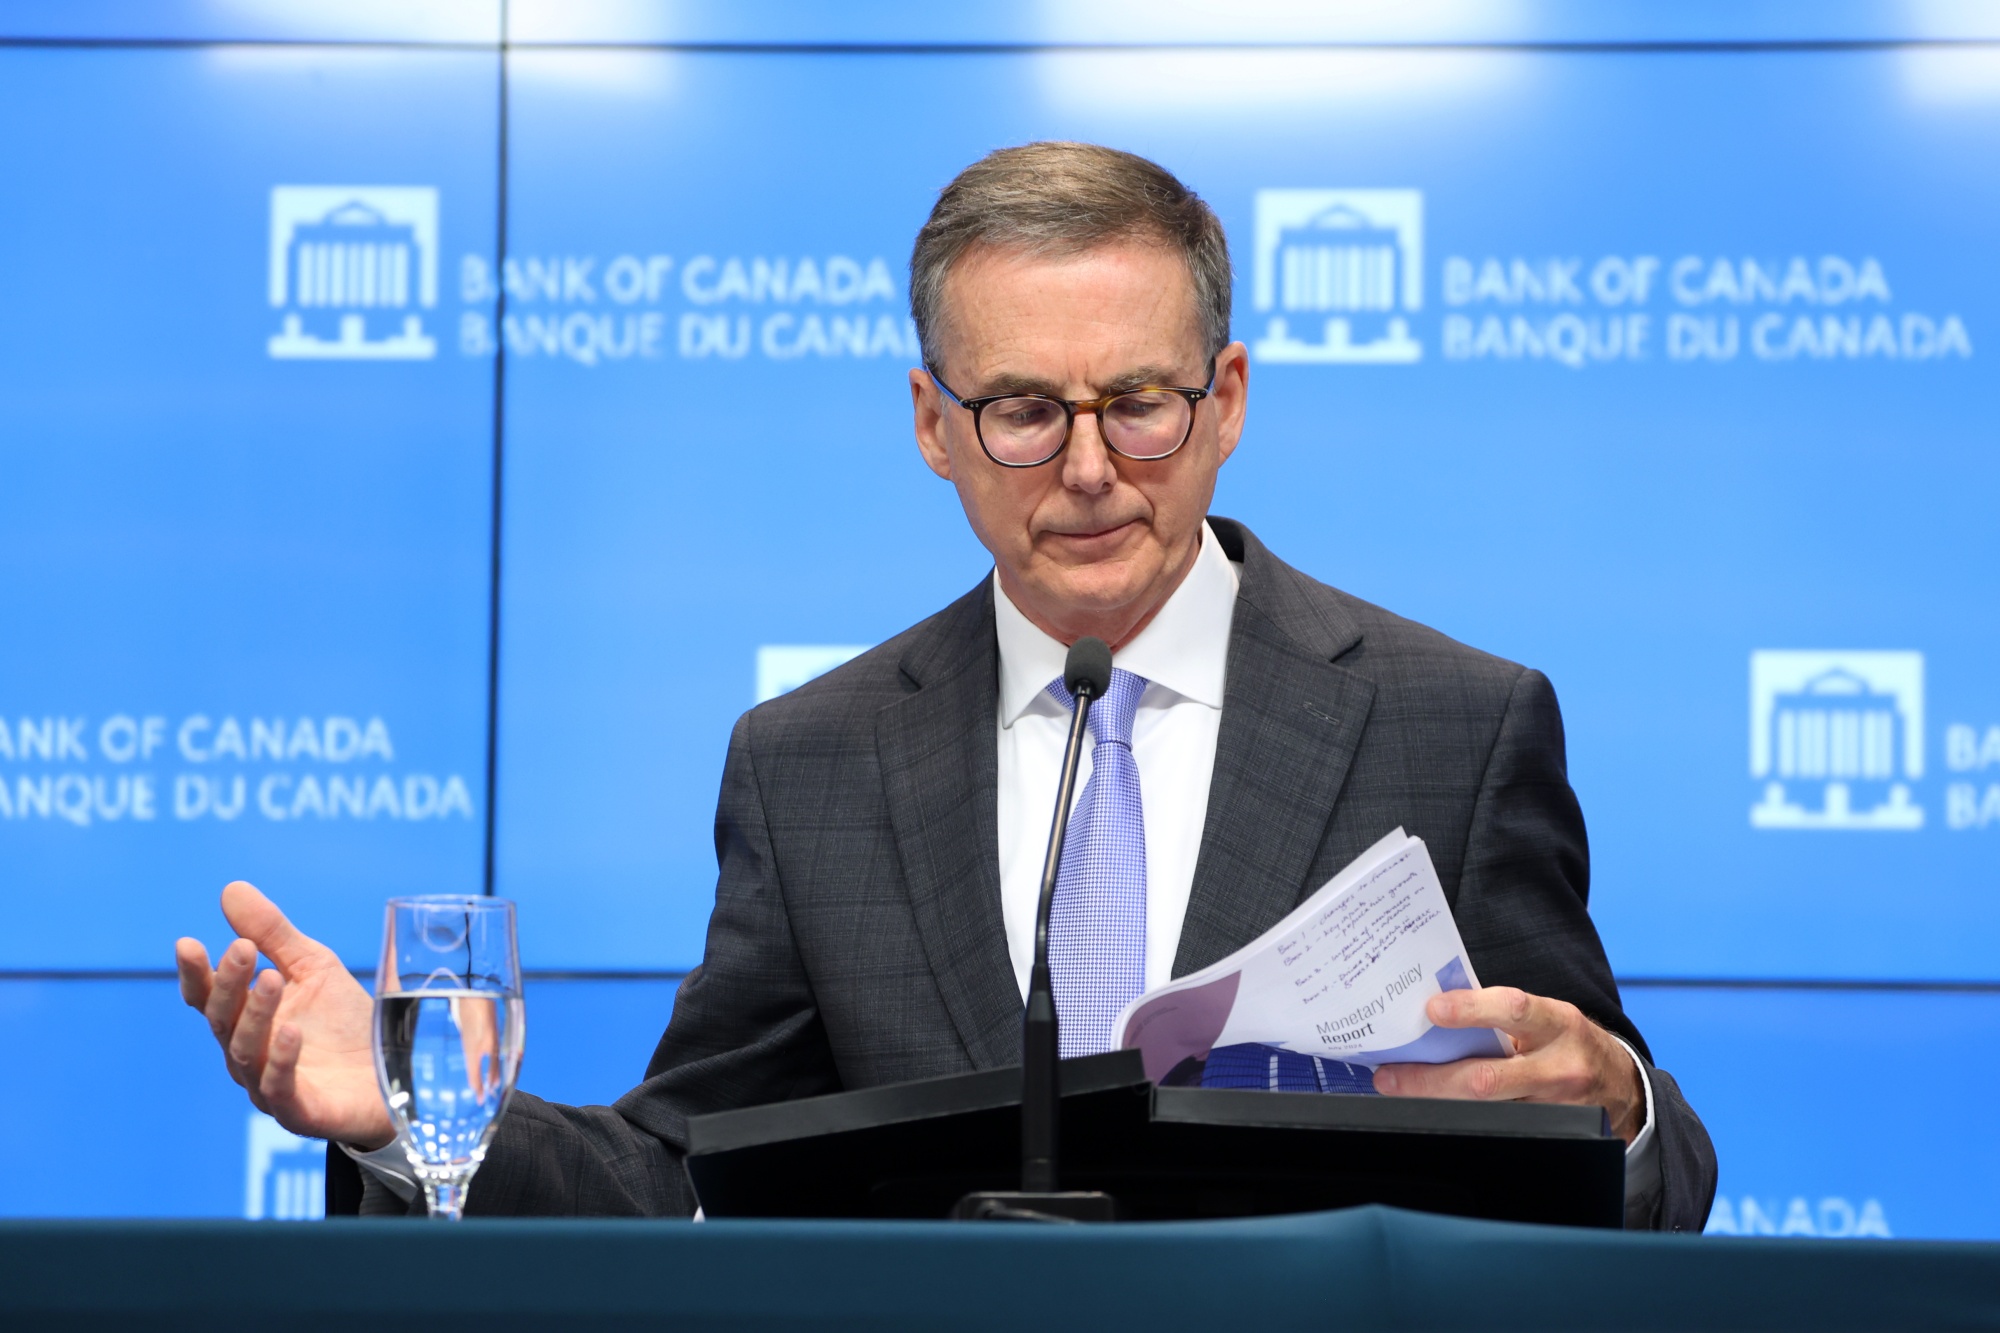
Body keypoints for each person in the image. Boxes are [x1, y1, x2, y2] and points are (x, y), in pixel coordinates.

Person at [176, 141, 1716, 1230]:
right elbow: (678, 1170)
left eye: (1142, 402)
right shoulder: (816, 762)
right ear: (932, 421)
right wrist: (405, 1121)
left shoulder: (1456, 722)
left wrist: (1620, 1110)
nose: (1093, 468)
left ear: (1228, 398)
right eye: (1026, 411)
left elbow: (1655, 1171)